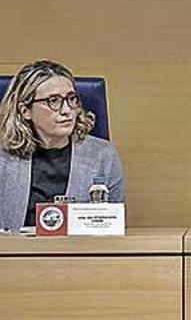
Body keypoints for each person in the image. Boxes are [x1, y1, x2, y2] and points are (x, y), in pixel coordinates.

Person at [0, 60, 125, 232]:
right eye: (54, 100)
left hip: (81, 256)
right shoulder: (3, 158)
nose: (66, 110)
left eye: (71, 99)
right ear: (25, 110)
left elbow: (114, 229)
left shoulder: (102, 156)